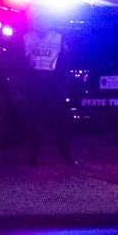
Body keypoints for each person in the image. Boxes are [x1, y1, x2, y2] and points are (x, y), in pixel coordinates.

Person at [21, 19, 74, 164]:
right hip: (36, 83)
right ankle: (34, 156)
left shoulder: (58, 38)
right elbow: (21, 61)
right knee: (36, 121)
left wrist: (62, 84)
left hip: (53, 84)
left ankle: (66, 153)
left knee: (59, 121)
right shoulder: (27, 37)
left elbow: (65, 62)